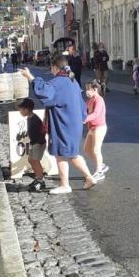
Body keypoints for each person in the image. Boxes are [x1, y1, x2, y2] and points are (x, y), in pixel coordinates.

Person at [20, 52, 96, 194]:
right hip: (74, 124)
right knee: (73, 154)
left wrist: (30, 76)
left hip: (63, 123)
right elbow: (82, 105)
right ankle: (89, 178)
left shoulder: (57, 83)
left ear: (55, 68)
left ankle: (65, 184)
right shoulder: (72, 81)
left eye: (51, 68)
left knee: (61, 153)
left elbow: (44, 92)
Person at [17, 97, 47, 191]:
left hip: (38, 143)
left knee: (35, 161)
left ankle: (40, 180)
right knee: (31, 160)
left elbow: (42, 131)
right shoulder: (30, 117)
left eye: (20, 110)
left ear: (26, 109)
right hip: (34, 143)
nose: (19, 112)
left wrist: (39, 142)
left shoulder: (34, 119)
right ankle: (38, 177)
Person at [83, 80, 108, 181]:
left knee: (96, 150)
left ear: (95, 89)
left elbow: (96, 114)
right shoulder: (89, 100)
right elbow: (83, 110)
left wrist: (84, 119)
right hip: (92, 128)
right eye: (86, 89)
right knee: (87, 149)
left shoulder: (99, 100)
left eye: (88, 89)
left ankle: (99, 172)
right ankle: (101, 165)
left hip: (99, 127)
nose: (87, 91)